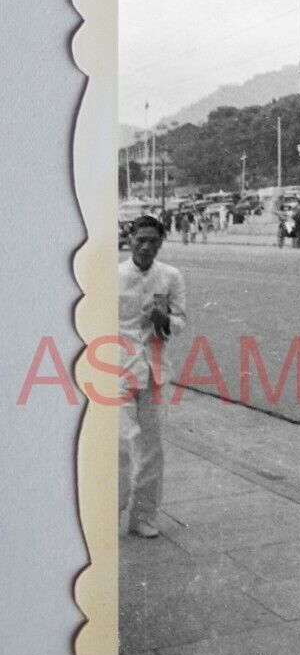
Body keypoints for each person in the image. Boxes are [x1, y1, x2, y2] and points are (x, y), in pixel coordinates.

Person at [118, 215, 186, 538]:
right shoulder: (112, 276)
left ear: (161, 243)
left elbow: (182, 319)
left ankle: (143, 515)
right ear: (130, 239)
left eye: (153, 241)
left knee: (153, 447)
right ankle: (111, 508)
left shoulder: (170, 276)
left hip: (156, 371)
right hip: (116, 370)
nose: (146, 246)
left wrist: (167, 319)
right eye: (140, 239)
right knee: (120, 443)